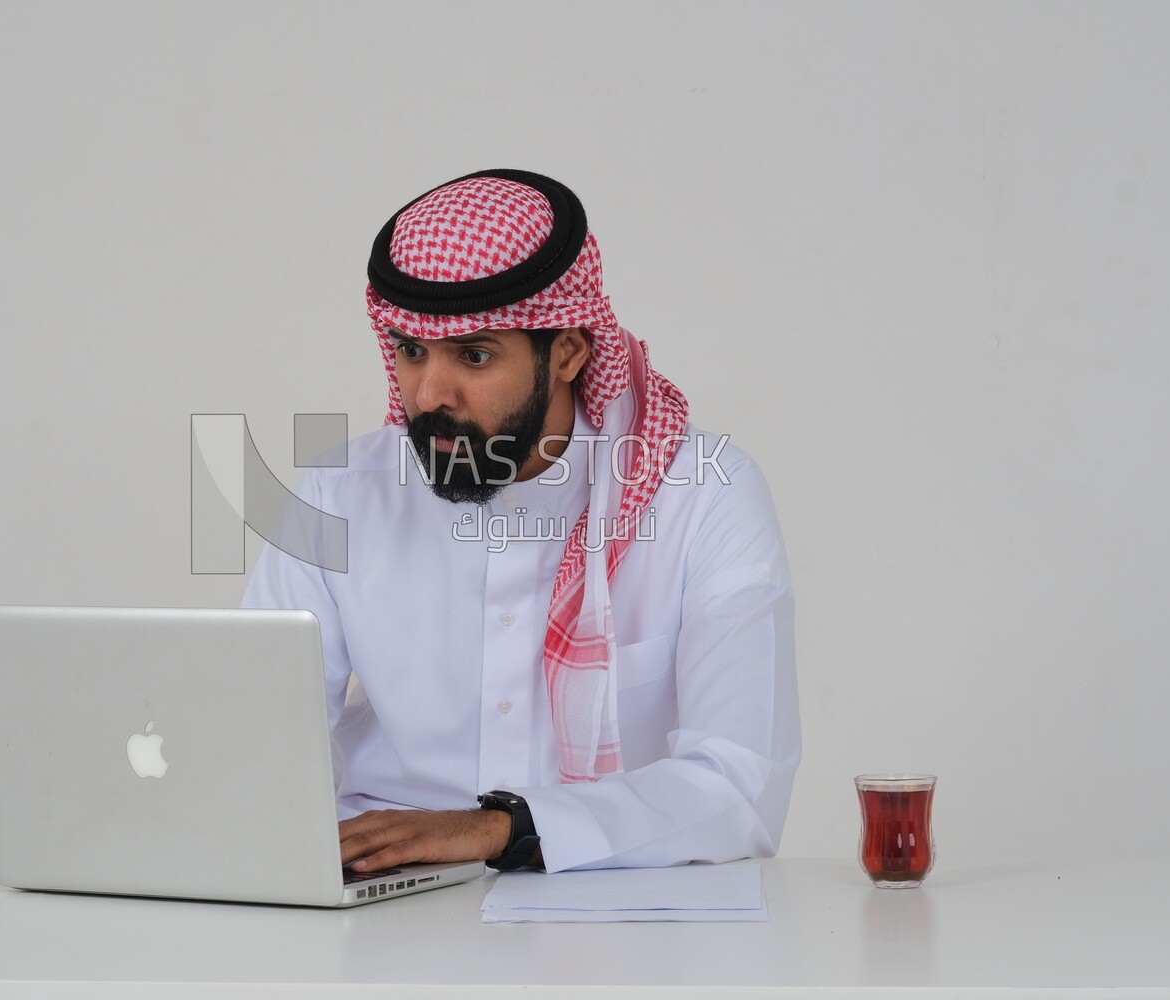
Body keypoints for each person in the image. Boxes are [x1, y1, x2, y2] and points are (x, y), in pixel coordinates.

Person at [241, 168, 800, 874]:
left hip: (619, 927)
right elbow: (256, 740)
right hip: (381, 906)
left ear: (567, 352)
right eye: (411, 351)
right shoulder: (340, 494)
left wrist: (502, 829)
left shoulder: (703, 497)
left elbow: (741, 787)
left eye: (474, 356)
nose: (429, 393)